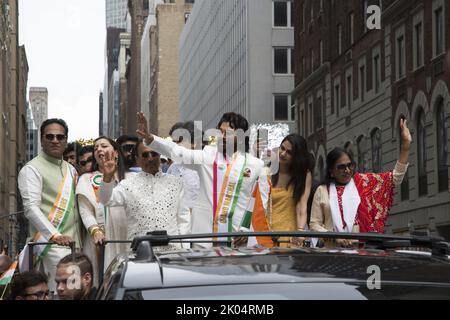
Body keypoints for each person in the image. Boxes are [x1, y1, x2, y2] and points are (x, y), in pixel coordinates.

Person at [137, 112, 271, 247]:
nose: (222, 137)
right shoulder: (208, 156)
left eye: (228, 133)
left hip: (238, 239)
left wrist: (245, 230)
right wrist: (150, 138)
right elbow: (179, 152)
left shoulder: (256, 165)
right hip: (205, 238)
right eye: (220, 132)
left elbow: (260, 204)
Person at [310, 119, 411, 247]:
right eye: (341, 167)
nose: (347, 170)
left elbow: (395, 178)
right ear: (331, 171)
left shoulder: (364, 182)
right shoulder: (322, 190)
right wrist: (334, 237)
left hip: (361, 254)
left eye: (349, 165)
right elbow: (314, 224)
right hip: (331, 255)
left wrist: (406, 146)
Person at [18, 118, 81, 292]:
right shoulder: (31, 169)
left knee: (73, 293)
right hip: (51, 246)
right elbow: (31, 208)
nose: (55, 140)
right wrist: (54, 235)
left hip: (76, 247)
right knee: (63, 292)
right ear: (42, 139)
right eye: (50, 136)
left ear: (66, 140)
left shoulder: (71, 170)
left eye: (60, 137)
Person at [98, 139, 189, 246]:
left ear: (160, 156)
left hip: (172, 252)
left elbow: (183, 218)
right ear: (137, 159)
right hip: (141, 254)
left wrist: (185, 248)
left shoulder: (175, 182)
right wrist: (107, 177)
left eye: (154, 154)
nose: (150, 158)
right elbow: (106, 200)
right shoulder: (128, 185)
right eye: (145, 155)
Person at [76, 137, 128, 286]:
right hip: (100, 239)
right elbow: (85, 211)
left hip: (125, 235)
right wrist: (95, 231)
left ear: (116, 152)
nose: (99, 149)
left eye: (104, 146)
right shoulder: (87, 179)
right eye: (96, 148)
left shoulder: (130, 177)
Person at [268, 134, 314, 247]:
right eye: (282, 148)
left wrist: (300, 231)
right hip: (267, 233)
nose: (283, 154)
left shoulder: (303, 175)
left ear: (297, 156)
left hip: (290, 237)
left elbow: (302, 206)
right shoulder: (266, 172)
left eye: (289, 152)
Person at [166, 121, 201, 235]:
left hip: (201, 225)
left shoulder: (205, 165)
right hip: (178, 226)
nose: (176, 145)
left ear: (194, 143)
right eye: (174, 142)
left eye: (180, 141)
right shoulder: (172, 167)